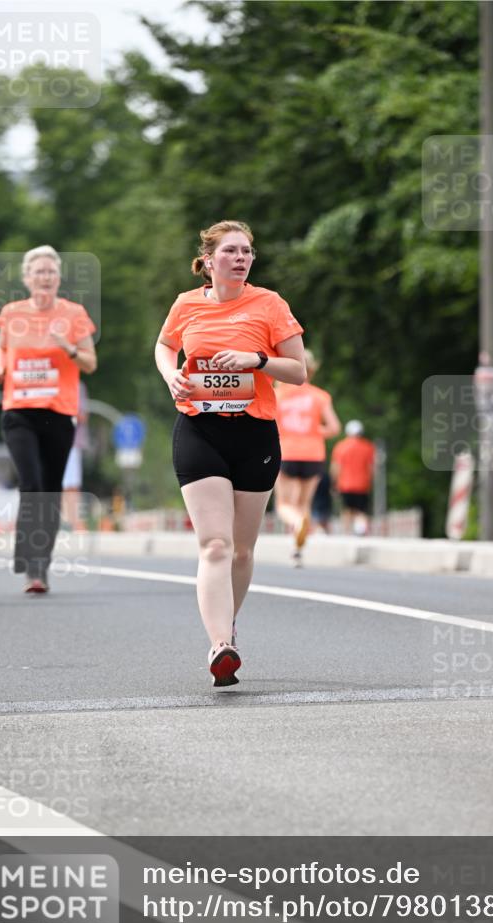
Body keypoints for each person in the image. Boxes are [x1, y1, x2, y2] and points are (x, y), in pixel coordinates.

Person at [155, 220, 305, 687]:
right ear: (208, 260)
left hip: (254, 434)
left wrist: (256, 360)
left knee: (241, 551)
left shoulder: (269, 304)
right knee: (215, 545)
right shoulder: (186, 305)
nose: (241, 258)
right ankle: (221, 646)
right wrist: (171, 375)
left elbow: (298, 371)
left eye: (247, 252)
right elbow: (164, 346)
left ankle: (228, 625)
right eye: (231, 251)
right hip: (199, 430)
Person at [0, 246, 97, 593]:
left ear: (59, 277)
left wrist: (69, 348)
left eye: (51, 271)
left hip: (58, 414)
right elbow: (1, 348)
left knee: (49, 489)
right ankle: (29, 560)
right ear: (27, 278)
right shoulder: (12, 313)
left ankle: (40, 569)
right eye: (39, 272)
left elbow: (90, 364)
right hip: (18, 411)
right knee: (32, 482)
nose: (45, 277)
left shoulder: (74, 314)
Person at [274, 349, 341, 565]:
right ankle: (297, 551)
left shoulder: (278, 394)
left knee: (284, 503)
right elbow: (334, 428)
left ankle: (296, 523)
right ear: (311, 370)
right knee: (304, 502)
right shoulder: (320, 396)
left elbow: (268, 425)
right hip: (314, 454)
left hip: (287, 452)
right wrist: (312, 431)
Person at [330, 420, 377, 535]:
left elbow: (336, 467)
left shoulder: (340, 447)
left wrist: (333, 482)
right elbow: (372, 468)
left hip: (345, 485)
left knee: (346, 510)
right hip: (362, 484)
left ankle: (347, 533)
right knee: (361, 511)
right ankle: (361, 531)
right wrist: (370, 481)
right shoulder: (368, 447)